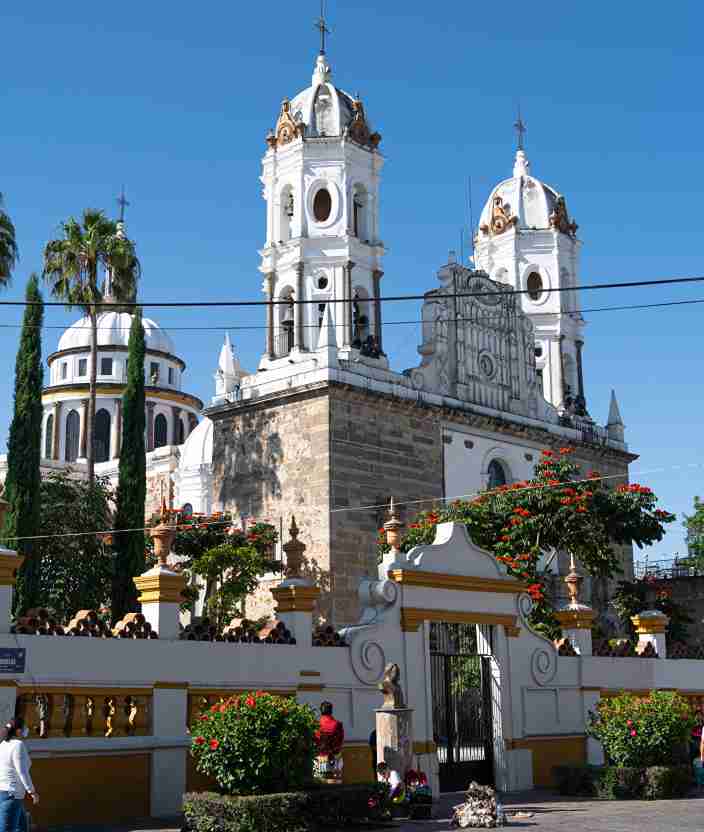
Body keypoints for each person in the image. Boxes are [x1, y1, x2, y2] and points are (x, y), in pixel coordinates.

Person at [0, 718, 38, 832]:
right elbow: (22, 772)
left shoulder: (3, 744)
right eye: (24, 727)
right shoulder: (18, 745)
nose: (26, 730)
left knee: (21, 828)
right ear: (18, 731)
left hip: (6, 793)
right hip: (12, 795)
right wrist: (32, 792)